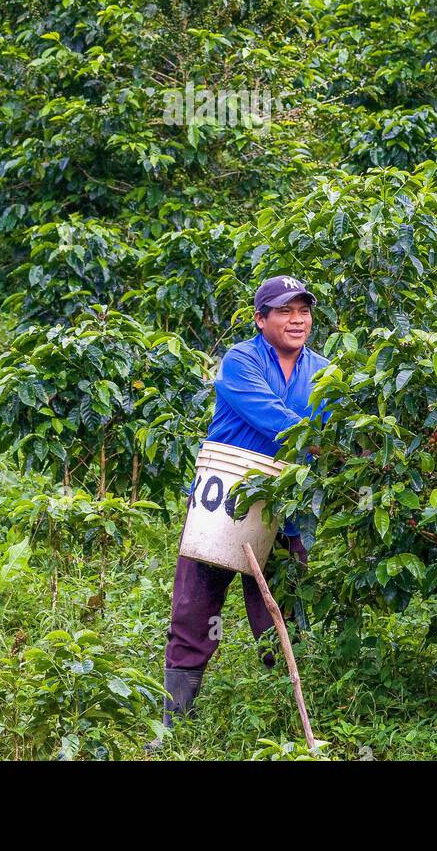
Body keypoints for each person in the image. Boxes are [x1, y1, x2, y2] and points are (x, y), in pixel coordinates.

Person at [161, 274, 329, 729]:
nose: (297, 320)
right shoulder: (240, 360)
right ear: (260, 319)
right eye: (284, 311)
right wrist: (322, 442)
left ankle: (285, 715)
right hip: (224, 497)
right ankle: (175, 720)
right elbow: (269, 414)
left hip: (285, 505)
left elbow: (339, 422)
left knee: (281, 611)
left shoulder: (324, 370)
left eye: (304, 311)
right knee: (196, 609)